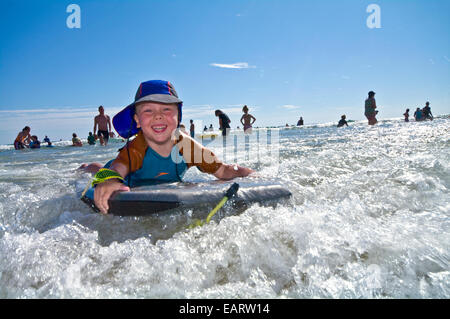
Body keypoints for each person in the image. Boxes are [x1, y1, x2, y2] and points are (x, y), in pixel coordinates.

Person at [85, 80, 253, 214]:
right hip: (122, 174)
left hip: (163, 182)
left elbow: (223, 170)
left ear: (178, 116)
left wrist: (246, 173)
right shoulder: (137, 147)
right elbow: (117, 168)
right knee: (97, 168)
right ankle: (85, 167)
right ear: (136, 120)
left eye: (166, 109)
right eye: (148, 111)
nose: (158, 116)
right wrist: (110, 180)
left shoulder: (186, 147)